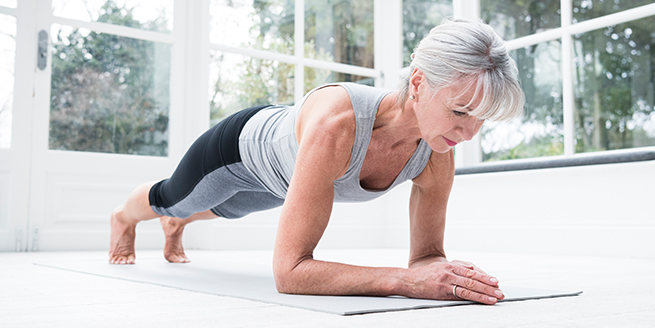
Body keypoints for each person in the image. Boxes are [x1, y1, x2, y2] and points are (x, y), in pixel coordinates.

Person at [109, 18, 525, 305]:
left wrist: (444, 273)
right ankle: (123, 220)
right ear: (418, 82)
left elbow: (426, 257)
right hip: (238, 150)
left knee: (223, 210)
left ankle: (178, 226)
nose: (469, 133)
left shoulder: (437, 151)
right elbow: (289, 273)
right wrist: (403, 281)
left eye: (481, 119)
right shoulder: (337, 125)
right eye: (459, 112)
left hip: (283, 177)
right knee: (171, 199)